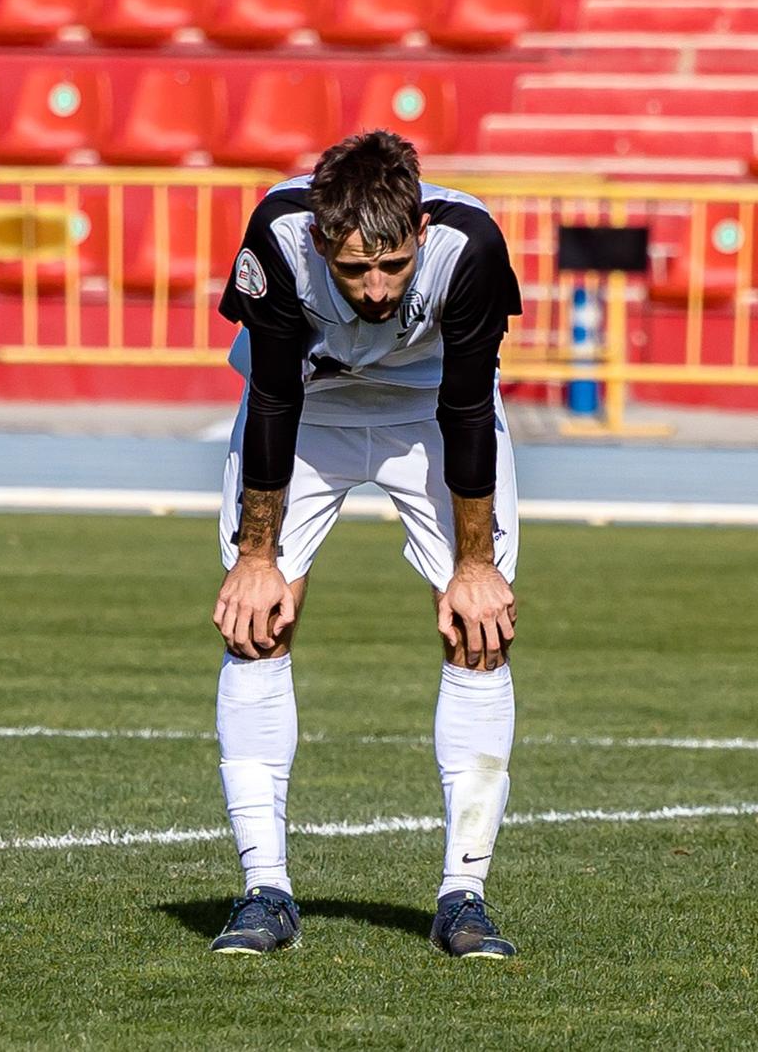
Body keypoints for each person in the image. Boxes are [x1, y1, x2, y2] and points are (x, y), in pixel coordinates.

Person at [206, 130, 525, 959]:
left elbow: (466, 406)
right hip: (309, 406)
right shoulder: (278, 238)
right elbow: (273, 394)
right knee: (258, 621)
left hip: (432, 411)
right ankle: (263, 887)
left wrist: (476, 566)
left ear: (419, 231)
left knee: (477, 632)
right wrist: (255, 555)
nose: (378, 291)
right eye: (354, 271)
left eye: (393, 265)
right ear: (319, 242)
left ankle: (465, 896)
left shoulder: (471, 248)